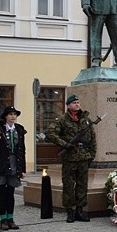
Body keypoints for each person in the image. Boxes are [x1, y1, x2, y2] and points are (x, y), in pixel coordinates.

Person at [46, 94, 96, 223]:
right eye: (74, 103)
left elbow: (93, 138)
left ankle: (80, 210)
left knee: (82, 185)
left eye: (78, 102)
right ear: (68, 105)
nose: (77, 105)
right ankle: (70, 211)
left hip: (84, 157)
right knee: (68, 185)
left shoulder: (85, 119)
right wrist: (64, 144)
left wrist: (92, 155)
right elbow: (50, 134)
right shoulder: (63, 119)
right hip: (69, 157)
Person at [0, 106, 25, 231]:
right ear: (5, 116)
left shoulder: (19, 130)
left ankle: (11, 218)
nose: (13, 116)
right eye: (10, 114)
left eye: (15, 114)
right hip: (1, 163)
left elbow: (22, 150)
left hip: (14, 163)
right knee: (2, 192)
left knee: (11, 193)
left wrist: (22, 169)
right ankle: (3, 219)